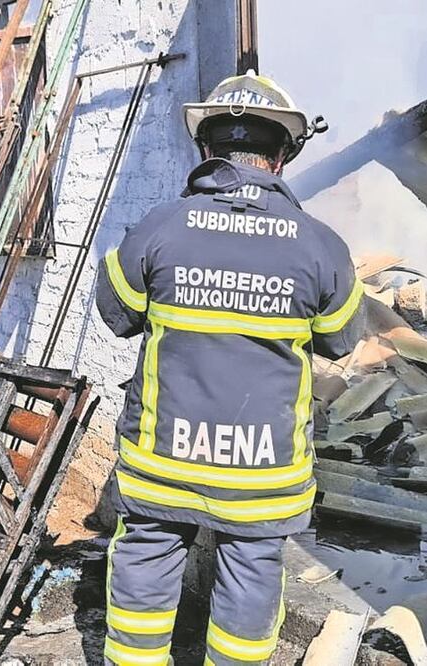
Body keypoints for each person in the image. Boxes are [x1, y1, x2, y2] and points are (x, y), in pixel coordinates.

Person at [95, 72, 364, 665]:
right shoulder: (321, 245)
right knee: (253, 578)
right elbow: (342, 339)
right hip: (262, 474)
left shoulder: (159, 227)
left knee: (145, 563)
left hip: (162, 461)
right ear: (282, 154)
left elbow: (117, 312)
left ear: (207, 149)